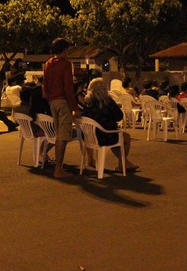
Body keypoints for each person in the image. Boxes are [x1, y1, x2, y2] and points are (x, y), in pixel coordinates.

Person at [82, 77, 138, 172]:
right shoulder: (107, 101)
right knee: (125, 137)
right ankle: (122, 164)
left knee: (116, 136)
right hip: (105, 135)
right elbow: (119, 116)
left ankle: (125, 162)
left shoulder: (87, 102)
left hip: (89, 136)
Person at [43, 37, 79, 178]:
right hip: (62, 101)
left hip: (52, 101)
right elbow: (68, 88)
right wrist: (75, 107)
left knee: (59, 134)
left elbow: (45, 86)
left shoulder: (48, 64)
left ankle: (58, 167)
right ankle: (58, 169)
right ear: (64, 49)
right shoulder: (65, 64)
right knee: (63, 137)